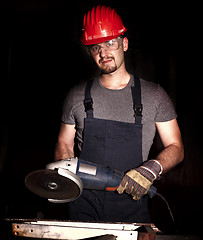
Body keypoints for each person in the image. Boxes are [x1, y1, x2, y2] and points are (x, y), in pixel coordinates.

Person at [54, 5, 184, 223]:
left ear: (124, 44)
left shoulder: (155, 95)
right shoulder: (76, 96)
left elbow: (177, 148)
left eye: (109, 43)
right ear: (89, 52)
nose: (103, 53)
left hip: (132, 208)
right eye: (95, 47)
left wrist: (151, 169)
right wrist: (66, 174)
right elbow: (64, 143)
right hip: (82, 208)